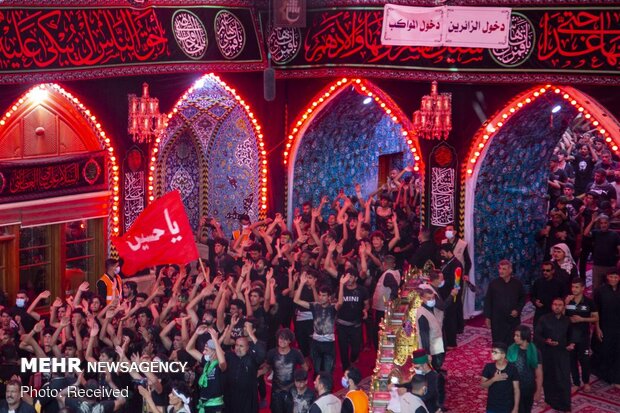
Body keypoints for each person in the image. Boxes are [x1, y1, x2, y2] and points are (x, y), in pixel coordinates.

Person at [535, 298, 573, 413]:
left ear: (563, 307)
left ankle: (566, 406)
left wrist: (571, 344)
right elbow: (537, 336)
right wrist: (546, 341)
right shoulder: (544, 319)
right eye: (555, 304)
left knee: (564, 380)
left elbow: (571, 337)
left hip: (562, 354)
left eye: (560, 305)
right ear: (552, 306)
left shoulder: (567, 321)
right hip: (547, 353)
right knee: (549, 378)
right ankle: (549, 400)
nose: (557, 307)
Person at [294, 275, 337, 375]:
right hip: (316, 342)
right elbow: (296, 300)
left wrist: (342, 284)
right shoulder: (314, 306)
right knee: (317, 369)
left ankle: (327, 386)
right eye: (320, 295)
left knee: (328, 370)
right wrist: (301, 284)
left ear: (329, 297)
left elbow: (341, 303)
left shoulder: (333, 308)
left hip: (329, 343)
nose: (321, 298)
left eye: (324, 295)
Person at [223, 323, 266, 413]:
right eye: (237, 345)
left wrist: (250, 334)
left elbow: (262, 354)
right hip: (231, 396)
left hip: (248, 398)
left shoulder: (252, 358)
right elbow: (224, 344)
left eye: (241, 346)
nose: (238, 348)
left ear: (247, 348)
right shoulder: (230, 356)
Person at [415, 289, 446, 411]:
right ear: (422, 298)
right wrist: (427, 354)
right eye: (428, 298)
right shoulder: (422, 313)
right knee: (434, 379)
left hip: (436, 344)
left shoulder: (431, 308)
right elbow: (424, 335)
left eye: (433, 298)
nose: (431, 300)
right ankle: (436, 404)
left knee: (437, 374)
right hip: (430, 350)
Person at [565, 277, 597, 392]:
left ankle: (586, 382)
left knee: (585, 360)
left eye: (577, 287)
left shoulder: (589, 302)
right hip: (570, 336)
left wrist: (582, 319)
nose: (574, 289)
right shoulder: (568, 300)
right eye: (573, 287)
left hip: (584, 337)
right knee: (572, 360)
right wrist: (565, 304)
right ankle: (576, 383)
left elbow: (595, 318)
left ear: (583, 288)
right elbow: (560, 317)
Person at [484, 260, 526, 346]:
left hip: (512, 319)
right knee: (498, 343)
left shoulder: (517, 284)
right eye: (500, 269)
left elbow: (522, 299)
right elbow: (488, 301)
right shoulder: (494, 284)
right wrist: (487, 317)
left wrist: (518, 310)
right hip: (497, 320)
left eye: (504, 269)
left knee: (512, 343)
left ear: (510, 270)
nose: (501, 271)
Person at [265, 328, 306, 413]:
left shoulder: (296, 353)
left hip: (291, 391)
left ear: (290, 341)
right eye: (281, 338)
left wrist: (299, 380)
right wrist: (259, 373)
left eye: (285, 339)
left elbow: (305, 368)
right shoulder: (272, 353)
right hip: (276, 392)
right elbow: (267, 367)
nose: (282, 341)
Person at [186, 326, 226, 413]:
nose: (203, 352)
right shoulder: (206, 363)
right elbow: (189, 349)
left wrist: (215, 340)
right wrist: (196, 334)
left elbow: (222, 363)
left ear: (214, 352)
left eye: (206, 350)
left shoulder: (219, 365)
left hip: (215, 406)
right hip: (204, 403)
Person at [336, 268, 369, 371]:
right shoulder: (340, 289)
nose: (348, 279)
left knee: (356, 349)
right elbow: (336, 303)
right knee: (343, 348)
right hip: (342, 324)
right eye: (346, 276)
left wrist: (365, 310)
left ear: (356, 278)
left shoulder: (362, 290)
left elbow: (367, 304)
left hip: (356, 325)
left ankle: (352, 360)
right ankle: (346, 369)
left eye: (350, 277)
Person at [593, 271, 620, 388]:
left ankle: (616, 378)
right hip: (605, 325)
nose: (613, 279)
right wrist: (597, 328)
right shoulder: (600, 291)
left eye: (616, 277)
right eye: (611, 276)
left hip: (618, 326)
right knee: (606, 351)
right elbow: (596, 311)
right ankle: (606, 375)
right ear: (607, 277)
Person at [507, 325, 542, 413]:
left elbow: (539, 373)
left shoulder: (535, 352)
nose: (514, 338)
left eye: (517, 336)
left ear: (525, 337)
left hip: (528, 387)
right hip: (514, 387)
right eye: (515, 335)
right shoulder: (511, 349)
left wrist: (538, 391)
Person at [480, 342, 520, 413]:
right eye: (492, 351)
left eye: (495, 352)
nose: (492, 353)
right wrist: (494, 379)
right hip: (492, 407)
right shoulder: (488, 367)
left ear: (503, 355)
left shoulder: (512, 369)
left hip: (507, 407)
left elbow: (516, 390)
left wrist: (516, 407)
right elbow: (482, 385)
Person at [583, 213, 620, 289]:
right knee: (596, 288)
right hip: (598, 266)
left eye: (605, 223)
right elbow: (585, 233)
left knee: (611, 288)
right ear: (599, 224)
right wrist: (592, 221)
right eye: (601, 223)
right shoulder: (596, 233)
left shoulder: (614, 235)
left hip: (610, 266)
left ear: (608, 223)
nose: (603, 225)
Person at [438, 244, 463, 349]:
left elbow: (456, 282)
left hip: (452, 295)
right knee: (447, 318)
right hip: (445, 294)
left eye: (443, 253)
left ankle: (451, 343)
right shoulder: (447, 262)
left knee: (450, 318)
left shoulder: (456, 264)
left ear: (449, 252)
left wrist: (443, 282)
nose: (442, 255)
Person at [530, 262, 566, 328]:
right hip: (540, 313)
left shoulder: (559, 284)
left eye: (547, 270)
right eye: (543, 270)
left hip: (553, 313)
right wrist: (535, 301)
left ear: (553, 271)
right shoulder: (538, 282)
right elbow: (532, 296)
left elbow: (563, 297)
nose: (545, 272)